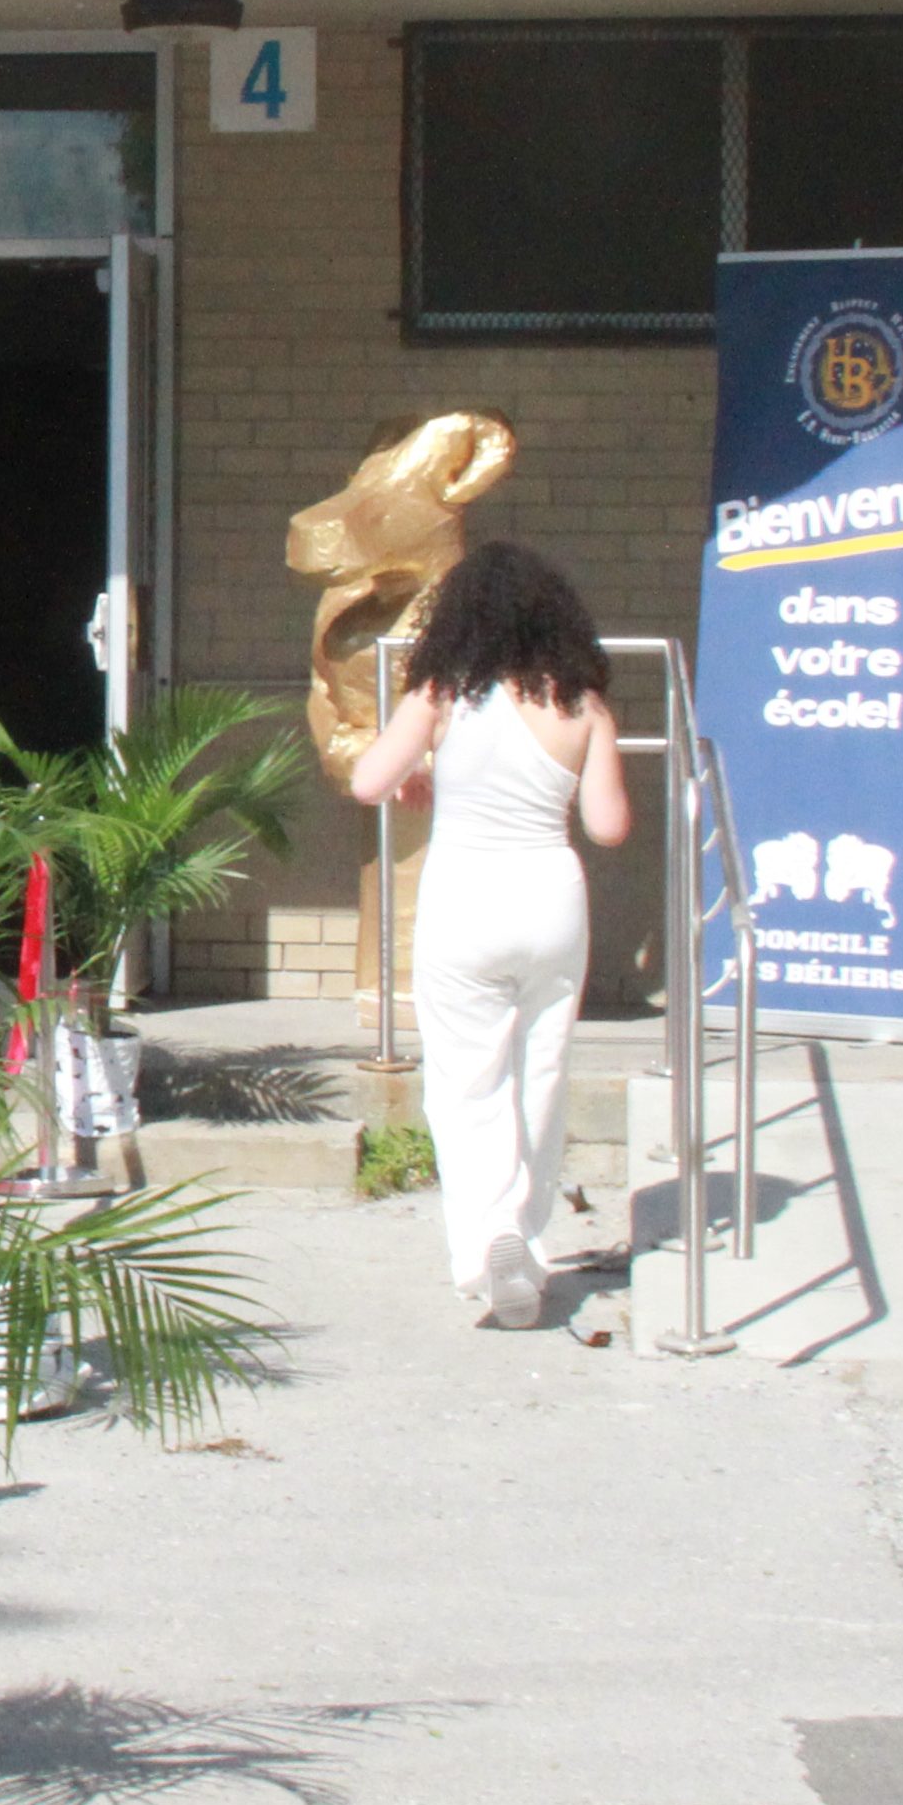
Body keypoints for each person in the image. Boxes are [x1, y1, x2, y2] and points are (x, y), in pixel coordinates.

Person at [345, 538, 634, 1329]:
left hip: (464, 900)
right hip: (550, 898)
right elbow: (607, 827)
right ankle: (526, 1243)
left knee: (467, 1082)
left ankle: (487, 1243)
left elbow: (367, 779)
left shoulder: (442, 691)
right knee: (542, 1074)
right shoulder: (583, 705)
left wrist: (424, 768)